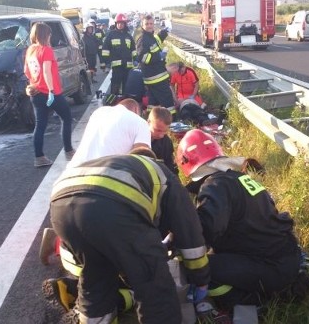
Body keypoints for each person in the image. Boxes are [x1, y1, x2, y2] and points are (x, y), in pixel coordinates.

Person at [49, 151, 211, 323]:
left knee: (96, 276)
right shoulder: (168, 178)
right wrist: (201, 279)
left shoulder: (127, 167)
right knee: (154, 284)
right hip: (109, 208)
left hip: (60, 205)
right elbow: (190, 234)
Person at [176, 129, 308, 312]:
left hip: (270, 266)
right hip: (285, 257)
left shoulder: (215, 185)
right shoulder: (238, 179)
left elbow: (205, 232)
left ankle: (255, 301)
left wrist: (179, 241)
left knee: (196, 267)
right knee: (214, 257)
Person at [24, 22, 76, 167]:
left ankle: (39, 157)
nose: (50, 37)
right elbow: (47, 71)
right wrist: (51, 91)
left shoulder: (30, 50)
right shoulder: (46, 50)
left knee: (40, 125)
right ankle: (69, 150)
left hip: (36, 93)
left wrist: (32, 84)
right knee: (66, 118)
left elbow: (27, 71)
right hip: (49, 93)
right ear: (45, 35)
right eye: (49, 34)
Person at [67, 98, 150, 167]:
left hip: (69, 175)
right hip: (101, 177)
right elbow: (142, 160)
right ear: (136, 111)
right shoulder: (140, 122)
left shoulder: (99, 112)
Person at [136, 14, 177, 117]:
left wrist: (166, 30)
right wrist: (159, 56)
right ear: (142, 25)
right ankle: (173, 120)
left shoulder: (151, 37)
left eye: (151, 23)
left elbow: (158, 39)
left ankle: (150, 118)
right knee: (167, 99)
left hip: (154, 76)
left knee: (153, 101)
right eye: (147, 24)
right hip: (156, 76)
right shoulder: (143, 39)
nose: (149, 26)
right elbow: (143, 58)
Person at [101, 13, 136, 95]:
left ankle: (125, 102)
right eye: (118, 23)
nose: (120, 25)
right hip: (117, 67)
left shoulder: (129, 36)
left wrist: (136, 59)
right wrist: (106, 62)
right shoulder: (111, 35)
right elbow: (105, 49)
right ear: (116, 23)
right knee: (115, 86)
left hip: (128, 66)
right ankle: (112, 103)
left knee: (127, 86)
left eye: (122, 23)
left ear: (125, 24)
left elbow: (133, 50)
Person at [148, 106, 178, 174]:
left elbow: (170, 167)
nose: (161, 135)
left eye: (165, 131)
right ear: (148, 122)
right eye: (158, 130)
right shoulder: (138, 139)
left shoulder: (167, 142)